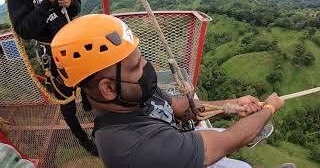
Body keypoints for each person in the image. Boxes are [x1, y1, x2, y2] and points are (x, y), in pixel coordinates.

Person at [51, 14, 285, 168]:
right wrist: (268, 108)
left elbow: (181, 108)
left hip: (180, 142)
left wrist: (231, 105)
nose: (147, 68)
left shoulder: (132, 95)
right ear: (108, 88)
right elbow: (224, 142)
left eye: (140, 59)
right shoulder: (128, 147)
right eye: (135, 66)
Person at [7, 0, 98, 156]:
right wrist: (47, 0)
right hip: (51, 52)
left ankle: (89, 107)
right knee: (66, 102)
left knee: (88, 80)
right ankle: (83, 139)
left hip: (73, 42)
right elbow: (25, 31)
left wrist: (70, 3)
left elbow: (75, 8)